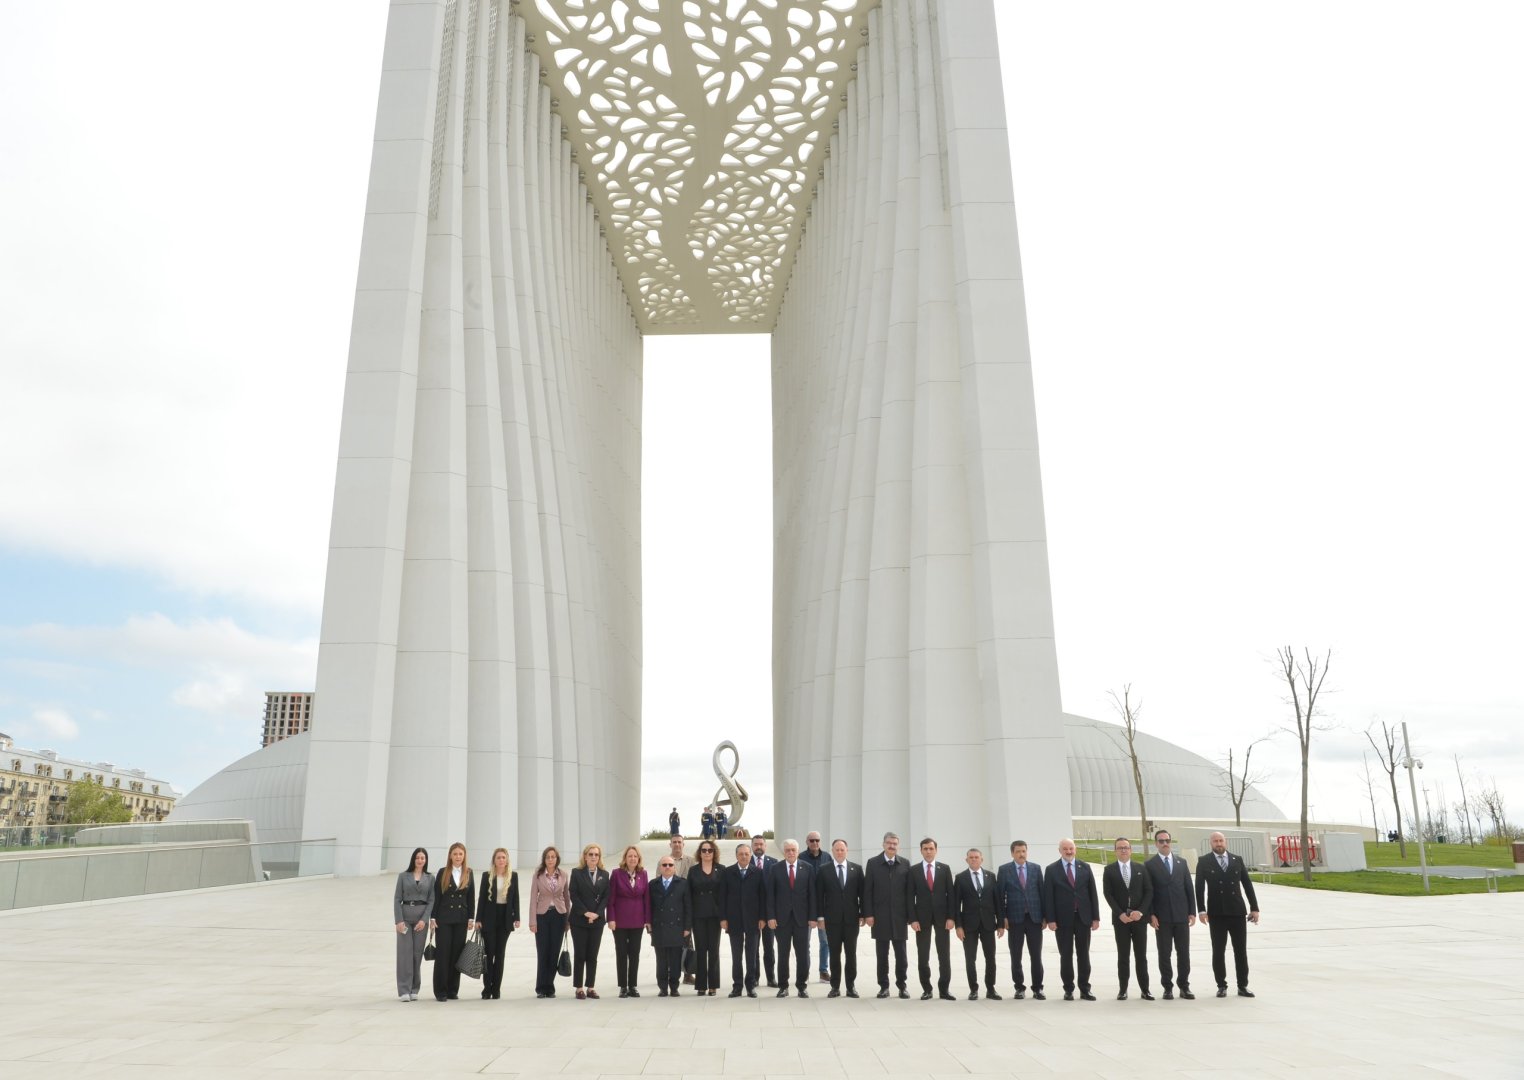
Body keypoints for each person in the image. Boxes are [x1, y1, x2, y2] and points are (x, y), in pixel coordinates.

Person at [1195, 831, 1261, 998]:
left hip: (1237, 912)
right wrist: (1201, 910)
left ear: (1226, 842)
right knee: (1218, 950)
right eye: (1215, 841)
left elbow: (1247, 885)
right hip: (1216, 913)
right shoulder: (1204, 861)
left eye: (1221, 840)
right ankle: (1221, 985)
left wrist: (1254, 908)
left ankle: (1243, 986)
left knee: (1240, 951)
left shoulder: (1236, 859)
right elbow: (1199, 888)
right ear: (1211, 843)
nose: (1219, 843)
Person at [1041, 838, 1100, 1000]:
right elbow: (1048, 897)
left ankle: (1085, 988)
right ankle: (1068, 988)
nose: (1068, 851)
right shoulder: (1052, 870)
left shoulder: (1085, 867)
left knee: (1084, 954)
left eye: (1071, 848)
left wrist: (1096, 917)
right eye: (1065, 849)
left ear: (1075, 849)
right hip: (1062, 920)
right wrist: (1050, 919)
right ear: (1059, 850)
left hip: (1083, 918)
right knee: (1065, 955)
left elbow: (1092, 893)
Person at [1144, 829, 1196, 999]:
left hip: (1181, 917)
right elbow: (1148, 892)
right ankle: (1167, 986)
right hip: (1162, 918)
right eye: (1161, 841)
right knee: (1164, 953)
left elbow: (1189, 888)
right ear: (1156, 844)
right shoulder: (1150, 865)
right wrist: (1151, 915)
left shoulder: (1181, 863)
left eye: (1167, 840)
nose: (1165, 843)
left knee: (1184, 953)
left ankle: (1184, 986)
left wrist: (1192, 912)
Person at [1101, 837, 1153, 1000]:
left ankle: (1145, 989)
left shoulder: (1141, 868)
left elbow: (1149, 891)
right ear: (1115, 850)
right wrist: (1120, 913)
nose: (1123, 850)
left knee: (1141, 956)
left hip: (1139, 920)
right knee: (1123, 956)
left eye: (1126, 847)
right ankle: (1123, 989)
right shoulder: (1109, 870)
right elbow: (1108, 894)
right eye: (1120, 848)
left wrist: (1141, 912)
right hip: (1121, 920)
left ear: (1130, 850)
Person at [863, 831, 912, 999]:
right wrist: (868, 914)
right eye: (889, 843)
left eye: (895, 843)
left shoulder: (905, 864)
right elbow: (867, 891)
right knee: (882, 955)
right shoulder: (873, 863)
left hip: (899, 918)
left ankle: (902, 986)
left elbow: (909, 893)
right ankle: (884, 986)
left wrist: (910, 916)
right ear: (883, 844)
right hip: (880, 917)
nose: (892, 846)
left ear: (898, 846)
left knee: (901, 956)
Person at [766, 838, 817, 997]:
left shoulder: (807, 868)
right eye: (787, 850)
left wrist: (812, 917)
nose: (790, 853)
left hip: (802, 919)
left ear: (797, 851)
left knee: (803, 954)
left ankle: (802, 986)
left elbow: (812, 895)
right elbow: (770, 895)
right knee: (783, 954)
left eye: (793, 850)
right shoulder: (775, 868)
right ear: (783, 852)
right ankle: (783, 986)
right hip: (782, 920)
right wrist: (771, 916)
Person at [997, 840, 1046, 999]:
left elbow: (1042, 894)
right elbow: (1000, 897)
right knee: (1016, 955)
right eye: (1018, 851)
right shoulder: (1004, 870)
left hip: (1034, 919)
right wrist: (1002, 917)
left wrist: (1045, 916)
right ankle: (1019, 987)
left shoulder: (1036, 869)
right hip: (1014, 919)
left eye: (1024, 851)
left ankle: (1038, 988)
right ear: (1012, 853)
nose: (1021, 854)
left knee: (1036, 955)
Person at [952, 848, 1003, 1000]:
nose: (974, 859)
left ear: (982, 859)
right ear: (966, 860)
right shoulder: (961, 878)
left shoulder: (990, 876)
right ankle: (973, 989)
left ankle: (991, 989)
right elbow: (956, 905)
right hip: (969, 925)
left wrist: (1000, 923)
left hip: (988, 923)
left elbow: (997, 902)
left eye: (976, 857)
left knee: (990, 958)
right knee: (970, 958)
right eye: (971, 857)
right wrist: (958, 926)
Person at [909, 836, 955, 1001]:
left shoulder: (944, 869)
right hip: (922, 919)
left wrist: (951, 917)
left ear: (936, 850)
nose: (928, 851)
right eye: (925, 849)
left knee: (944, 955)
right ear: (921, 851)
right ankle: (926, 989)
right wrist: (913, 919)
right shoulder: (913, 871)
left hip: (943, 918)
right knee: (923, 955)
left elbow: (951, 895)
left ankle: (944, 989)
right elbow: (909, 897)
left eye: (931, 848)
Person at [816, 838, 863, 998]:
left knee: (851, 954)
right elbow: (819, 896)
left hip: (851, 920)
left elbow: (862, 895)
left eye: (842, 850)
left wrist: (862, 914)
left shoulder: (856, 869)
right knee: (834, 954)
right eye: (837, 850)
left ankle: (851, 987)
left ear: (847, 851)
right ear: (833, 851)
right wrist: (820, 917)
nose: (840, 852)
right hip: (832, 920)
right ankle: (835, 987)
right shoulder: (824, 870)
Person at [430, 842, 476, 1002]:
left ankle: (452, 990)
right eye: (455, 854)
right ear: (450, 855)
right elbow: (437, 896)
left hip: (461, 919)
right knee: (443, 954)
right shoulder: (443, 872)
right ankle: (440, 991)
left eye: (460, 854)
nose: (458, 857)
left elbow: (470, 897)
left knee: (456, 955)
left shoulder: (468, 873)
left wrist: (471, 918)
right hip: (444, 919)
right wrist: (433, 917)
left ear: (464, 856)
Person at [721, 841, 766, 997]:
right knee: (736, 955)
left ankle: (750, 985)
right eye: (741, 854)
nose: (744, 856)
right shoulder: (728, 872)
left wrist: (762, 917)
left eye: (747, 854)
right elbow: (723, 897)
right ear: (736, 856)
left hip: (753, 920)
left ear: (750, 855)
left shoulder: (758, 872)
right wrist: (723, 918)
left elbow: (762, 897)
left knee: (751, 954)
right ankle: (737, 986)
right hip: (733, 920)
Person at [477, 847, 521, 1000]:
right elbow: (482, 899)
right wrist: (478, 920)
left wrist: (517, 917)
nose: (501, 860)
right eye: (498, 858)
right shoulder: (487, 876)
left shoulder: (513, 876)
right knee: (489, 955)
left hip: (505, 919)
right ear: (494, 861)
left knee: (500, 955)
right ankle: (486, 989)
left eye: (503, 857)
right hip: (489, 918)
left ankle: (496, 989)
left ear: (507, 860)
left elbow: (516, 898)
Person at [607, 845, 651, 998]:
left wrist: (647, 920)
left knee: (634, 953)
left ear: (638, 859)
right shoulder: (616, 874)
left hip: (637, 920)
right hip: (619, 921)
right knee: (621, 953)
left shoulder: (643, 874)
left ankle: (633, 985)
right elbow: (610, 899)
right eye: (630, 856)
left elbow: (646, 899)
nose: (632, 859)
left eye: (635, 856)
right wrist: (611, 918)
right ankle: (623, 986)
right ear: (625, 858)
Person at [528, 845, 570, 998]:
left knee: (554, 952)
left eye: (553, 857)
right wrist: (533, 921)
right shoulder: (538, 875)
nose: (550, 859)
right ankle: (541, 987)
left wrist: (568, 921)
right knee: (543, 951)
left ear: (557, 859)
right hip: (542, 916)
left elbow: (567, 898)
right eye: (548, 857)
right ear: (544, 860)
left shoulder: (564, 875)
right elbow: (533, 898)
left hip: (559, 915)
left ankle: (550, 987)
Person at [569, 843, 610, 1000]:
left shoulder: (604, 875)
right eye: (591, 854)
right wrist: (585, 912)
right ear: (585, 856)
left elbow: (606, 896)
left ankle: (590, 987)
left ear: (599, 857)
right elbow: (573, 894)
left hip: (597, 920)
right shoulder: (577, 873)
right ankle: (579, 988)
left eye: (596, 855)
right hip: (579, 919)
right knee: (580, 954)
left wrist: (597, 914)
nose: (593, 857)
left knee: (593, 955)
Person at [393, 847, 434, 1001]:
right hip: (405, 917)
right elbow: (397, 899)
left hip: (420, 920)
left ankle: (414, 988)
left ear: (426, 860)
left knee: (417, 954)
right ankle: (404, 989)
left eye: (423, 858)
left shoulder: (430, 878)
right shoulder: (403, 876)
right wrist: (398, 920)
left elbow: (431, 901)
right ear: (413, 859)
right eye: (417, 857)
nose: (420, 860)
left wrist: (424, 920)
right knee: (404, 954)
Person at [648, 852, 692, 996]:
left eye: (670, 865)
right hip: (659, 927)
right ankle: (662, 987)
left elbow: (688, 907)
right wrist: (648, 923)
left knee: (675, 960)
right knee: (661, 961)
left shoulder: (683, 883)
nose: (667, 867)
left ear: (674, 868)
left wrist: (687, 927)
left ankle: (674, 987)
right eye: (664, 865)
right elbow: (649, 906)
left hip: (677, 928)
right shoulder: (653, 884)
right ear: (660, 868)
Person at [688, 839, 726, 995]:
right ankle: (701, 985)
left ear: (714, 852)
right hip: (698, 916)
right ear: (699, 853)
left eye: (710, 850)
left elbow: (724, 895)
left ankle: (713, 985)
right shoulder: (693, 870)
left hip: (715, 916)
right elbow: (689, 896)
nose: (707, 853)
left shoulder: (721, 870)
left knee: (714, 950)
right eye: (704, 850)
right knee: (701, 950)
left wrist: (724, 917)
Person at [799, 831, 831, 984]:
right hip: (806, 906)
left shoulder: (827, 857)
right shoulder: (800, 857)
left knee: (825, 941)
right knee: (805, 941)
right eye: (811, 840)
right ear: (807, 841)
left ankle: (823, 971)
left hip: (823, 906)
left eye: (817, 840)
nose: (814, 843)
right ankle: (804, 971)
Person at [668, 835, 697, 983]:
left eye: (679, 842)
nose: (677, 845)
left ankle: (688, 973)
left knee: (687, 941)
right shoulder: (665, 861)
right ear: (670, 844)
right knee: (670, 941)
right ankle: (668, 972)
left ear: (683, 844)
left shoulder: (691, 861)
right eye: (674, 842)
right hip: (669, 907)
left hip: (686, 906)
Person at [750, 834, 777, 986]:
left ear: (765, 846)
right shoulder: (746, 862)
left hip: (769, 914)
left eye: (761, 844)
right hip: (752, 914)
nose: (758, 847)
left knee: (769, 947)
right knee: (753, 948)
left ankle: (771, 977)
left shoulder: (774, 863)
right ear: (752, 846)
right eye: (756, 844)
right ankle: (754, 978)